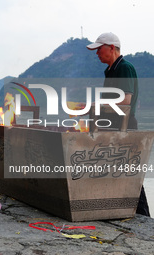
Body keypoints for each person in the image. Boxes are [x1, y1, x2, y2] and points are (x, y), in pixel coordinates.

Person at [87, 32, 149, 217]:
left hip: (125, 126)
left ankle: (143, 215)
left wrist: (96, 105)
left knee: (129, 172)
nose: (97, 53)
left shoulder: (124, 68)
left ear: (112, 48)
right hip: (111, 126)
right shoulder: (111, 70)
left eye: (100, 49)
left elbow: (126, 101)